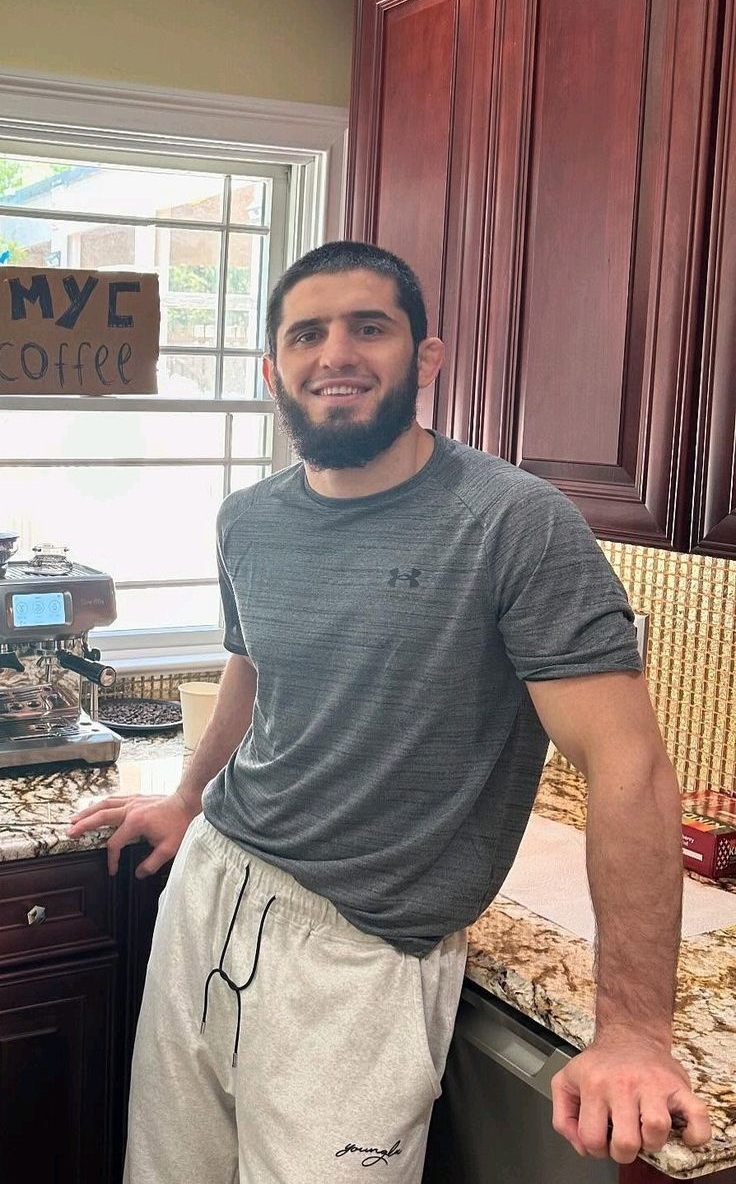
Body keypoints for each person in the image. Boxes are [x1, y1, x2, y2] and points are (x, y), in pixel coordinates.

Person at [70, 240, 712, 1183]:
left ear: (427, 357)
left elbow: (630, 768)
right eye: (307, 335)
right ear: (273, 370)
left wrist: (633, 1031)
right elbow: (253, 667)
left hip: (362, 953)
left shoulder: (514, 523)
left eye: (369, 327)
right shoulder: (249, 519)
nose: (336, 354)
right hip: (213, 890)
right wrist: (189, 797)